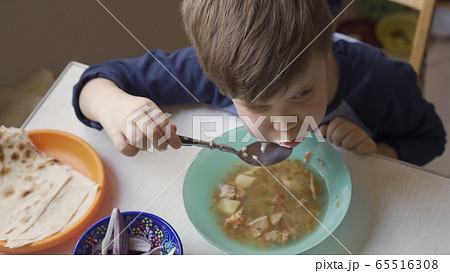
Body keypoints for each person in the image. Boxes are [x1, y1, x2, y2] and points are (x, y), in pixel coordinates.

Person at [73, 0, 446, 166]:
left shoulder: (384, 83)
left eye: (302, 93)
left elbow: (430, 140)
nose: (284, 124)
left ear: (328, 44)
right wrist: (117, 108)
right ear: (218, 81)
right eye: (256, 105)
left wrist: (379, 151)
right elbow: (96, 82)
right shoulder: (218, 68)